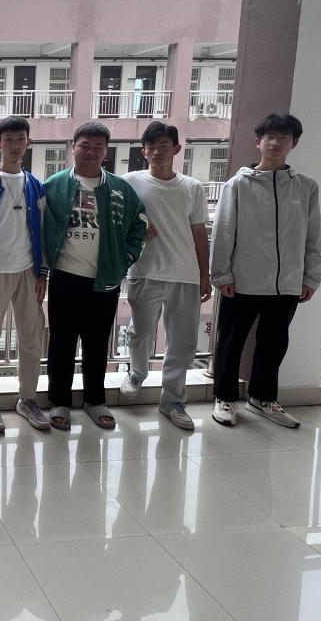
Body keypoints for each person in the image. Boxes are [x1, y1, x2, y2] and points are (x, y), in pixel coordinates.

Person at [210, 113, 321, 429]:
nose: (275, 143)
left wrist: (311, 276)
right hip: (242, 281)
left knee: (274, 345)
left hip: (287, 283)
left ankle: (262, 399)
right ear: (258, 142)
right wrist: (221, 274)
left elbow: (314, 234)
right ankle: (224, 398)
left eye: (283, 138)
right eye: (270, 137)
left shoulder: (305, 187)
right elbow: (223, 231)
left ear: (293, 144)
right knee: (230, 342)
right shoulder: (238, 185)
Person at [43, 122, 146, 430]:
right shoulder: (54, 185)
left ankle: (95, 400)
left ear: (106, 152)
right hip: (64, 277)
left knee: (97, 343)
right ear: (73, 147)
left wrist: (126, 259)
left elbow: (139, 224)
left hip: (105, 279)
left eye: (98, 147)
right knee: (61, 343)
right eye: (85, 145)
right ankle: (59, 401)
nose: (91, 151)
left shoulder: (119, 188)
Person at [120, 122, 211, 431]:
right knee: (142, 332)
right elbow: (116, 218)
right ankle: (137, 372)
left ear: (176, 149)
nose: (157, 151)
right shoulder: (130, 182)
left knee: (182, 342)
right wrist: (138, 223)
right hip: (145, 270)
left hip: (185, 273)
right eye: (151, 146)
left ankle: (173, 400)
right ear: (143, 151)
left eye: (164, 145)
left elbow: (199, 233)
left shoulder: (192, 187)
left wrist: (204, 274)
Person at [0, 116, 50, 433]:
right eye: (9, 140)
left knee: (31, 338)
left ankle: (27, 398)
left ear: (28, 143)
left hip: (28, 271)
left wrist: (42, 273)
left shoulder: (36, 185)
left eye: (20, 139)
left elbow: (43, 231)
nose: (15, 146)